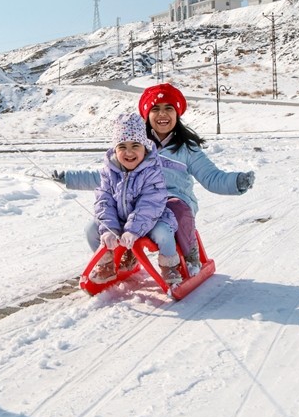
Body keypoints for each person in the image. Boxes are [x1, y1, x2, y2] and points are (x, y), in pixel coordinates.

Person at [57, 83, 254, 277]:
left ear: (177, 114)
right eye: (155, 109)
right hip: (139, 202)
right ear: (146, 115)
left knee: (176, 209)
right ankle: (124, 253)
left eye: (168, 108)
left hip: (174, 200)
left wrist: (236, 181)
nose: (162, 114)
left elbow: (212, 177)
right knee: (111, 215)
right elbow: (106, 177)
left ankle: (189, 250)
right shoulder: (135, 146)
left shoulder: (186, 149)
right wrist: (68, 178)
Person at [87, 112, 181, 286]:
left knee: (164, 233)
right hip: (120, 220)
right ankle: (107, 264)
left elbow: (150, 204)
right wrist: (109, 228)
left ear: (145, 147)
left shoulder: (152, 171)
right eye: (122, 146)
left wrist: (133, 230)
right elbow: (104, 201)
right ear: (115, 150)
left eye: (135, 145)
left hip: (152, 219)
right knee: (91, 229)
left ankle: (169, 266)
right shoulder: (109, 172)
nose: (128, 152)